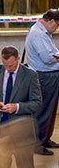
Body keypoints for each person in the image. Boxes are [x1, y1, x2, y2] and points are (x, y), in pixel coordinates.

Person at [0, 46, 42, 168]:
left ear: (18, 59)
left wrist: (17, 107)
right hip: (0, 129)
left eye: (12, 66)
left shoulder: (30, 75)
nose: (8, 69)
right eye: (6, 65)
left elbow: (37, 102)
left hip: (21, 131)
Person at [23, 9, 59, 155]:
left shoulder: (45, 32)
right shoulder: (37, 34)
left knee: (50, 111)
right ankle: (36, 143)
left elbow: (54, 53)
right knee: (43, 111)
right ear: (51, 21)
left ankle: (45, 139)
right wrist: (56, 57)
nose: (57, 28)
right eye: (57, 25)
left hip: (51, 75)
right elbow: (48, 58)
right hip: (44, 77)